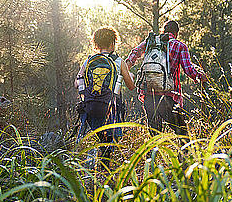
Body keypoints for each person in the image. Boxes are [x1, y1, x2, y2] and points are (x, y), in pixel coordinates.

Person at [126, 20, 207, 136]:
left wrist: (125, 68)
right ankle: (186, 154)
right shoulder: (179, 46)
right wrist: (201, 77)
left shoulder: (151, 42)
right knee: (182, 134)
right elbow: (188, 70)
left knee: (155, 135)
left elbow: (135, 52)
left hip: (149, 96)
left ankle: (154, 154)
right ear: (176, 33)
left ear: (163, 31)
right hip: (169, 97)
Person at [75, 27, 135, 162]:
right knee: (109, 142)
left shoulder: (89, 60)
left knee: (99, 138)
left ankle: (96, 169)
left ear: (96, 43)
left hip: (91, 106)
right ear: (113, 42)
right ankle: (104, 171)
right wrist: (130, 75)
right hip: (111, 108)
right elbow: (131, 86)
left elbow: (76, 83)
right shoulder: (119, 62)